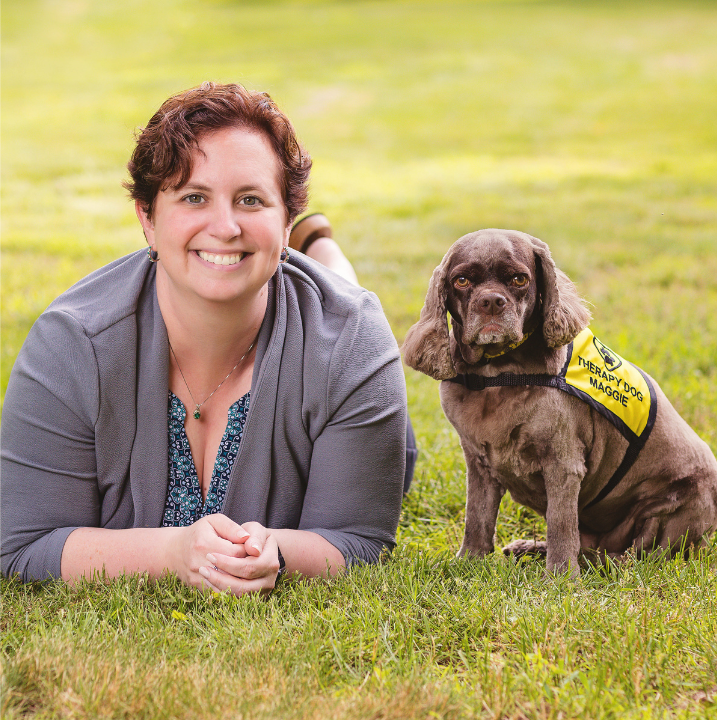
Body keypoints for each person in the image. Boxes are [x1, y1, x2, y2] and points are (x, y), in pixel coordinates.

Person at [1, 82, 413, 595]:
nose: (225, 226)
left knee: (341, 296)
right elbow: (21, 545)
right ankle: (322, 253)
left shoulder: (351, 340)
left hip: (325, 319)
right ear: (148, 219)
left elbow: (359, 539)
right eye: (194, 197)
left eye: (251, 200)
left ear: (285, 222)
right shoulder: (71, 344)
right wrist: (171, 554)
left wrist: (279, 555)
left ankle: (323, 251)